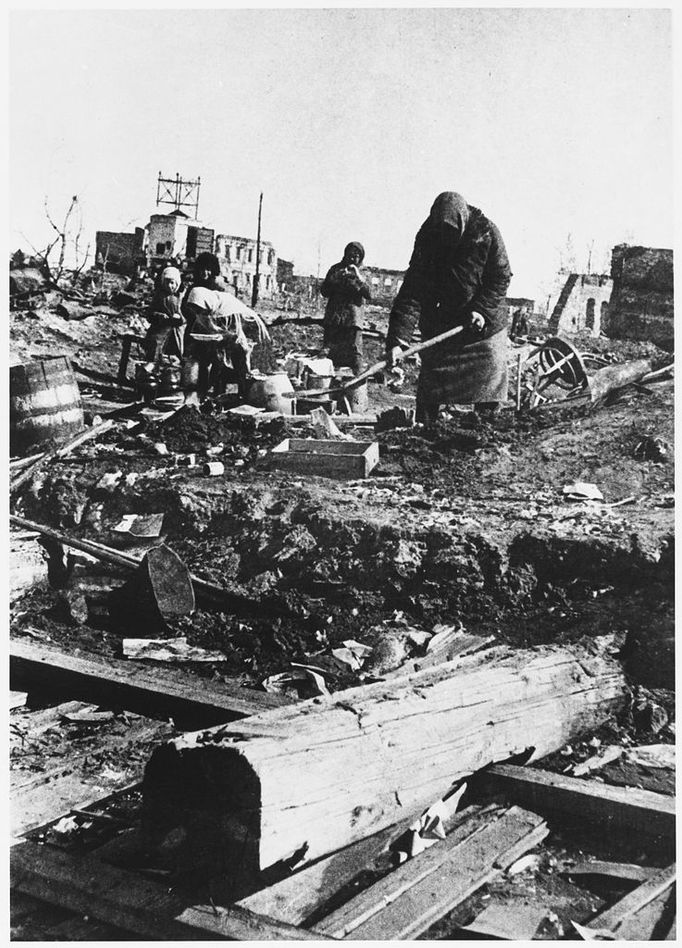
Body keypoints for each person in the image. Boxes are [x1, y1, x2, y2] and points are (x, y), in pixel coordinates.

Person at [386, 192, 512, 423]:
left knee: (489, 381)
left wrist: (481, 309)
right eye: (442, 233)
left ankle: (486, 437)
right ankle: (424, 435)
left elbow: (501, 277)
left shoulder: (486, 232)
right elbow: (413, 290)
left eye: (452, 232)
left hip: (483, 331)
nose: (447, 238)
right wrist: (397, 341)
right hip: (442, 326)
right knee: (430, 387)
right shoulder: (427, 238)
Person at [181, 286, 270, 406]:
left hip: (250, 334)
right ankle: (214, 394)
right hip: (230, 339)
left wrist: (222, 337)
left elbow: (237, 335)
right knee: (213, 358)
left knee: (245, 367)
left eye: (200, 310)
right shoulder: (208, 307)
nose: (199, 314)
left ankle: (247, 398)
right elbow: (202, 329)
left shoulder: (226, 308)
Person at [320, 241, 371, 375]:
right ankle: (328, 388)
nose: (353, 258)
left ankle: (356, 390)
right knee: (329, 355)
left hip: (353, 321)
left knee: (355, 357)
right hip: (334, 320)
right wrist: (335, 278)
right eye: (350, 255)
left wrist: (358, 276)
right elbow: (324, 291)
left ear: (361, 257)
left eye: (357, 256)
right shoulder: (335, 269)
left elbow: (369, 294)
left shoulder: (364, 272)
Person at [143, 266, 185, 363]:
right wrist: (159, 315)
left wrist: (180, 318)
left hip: (175, 334)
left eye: (172, 283)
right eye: (167, 283)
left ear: (177, 284)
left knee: (173, 358)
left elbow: (186, 316)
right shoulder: (159, 296)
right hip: (160, 331)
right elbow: (150, 314)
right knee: (154, 354)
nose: (170, 286)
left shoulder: (181, 298)